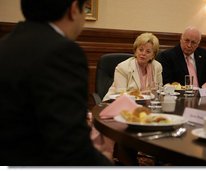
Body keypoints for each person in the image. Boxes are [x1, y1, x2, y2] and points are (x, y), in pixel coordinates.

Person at [0, 0, 112, 166]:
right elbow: (70, 147)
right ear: (74, 9)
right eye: (85, 10)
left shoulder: (6, 43)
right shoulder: (61, 52)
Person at [103, 32, 163, 101]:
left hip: (147, 105)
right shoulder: (123, 67)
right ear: (135, 51)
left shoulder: (157, 67)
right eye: (141, 50)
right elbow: (120, 94)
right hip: (116, 104)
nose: (143, 53)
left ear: (153, 55)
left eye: (148, 51)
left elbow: (159, 91)